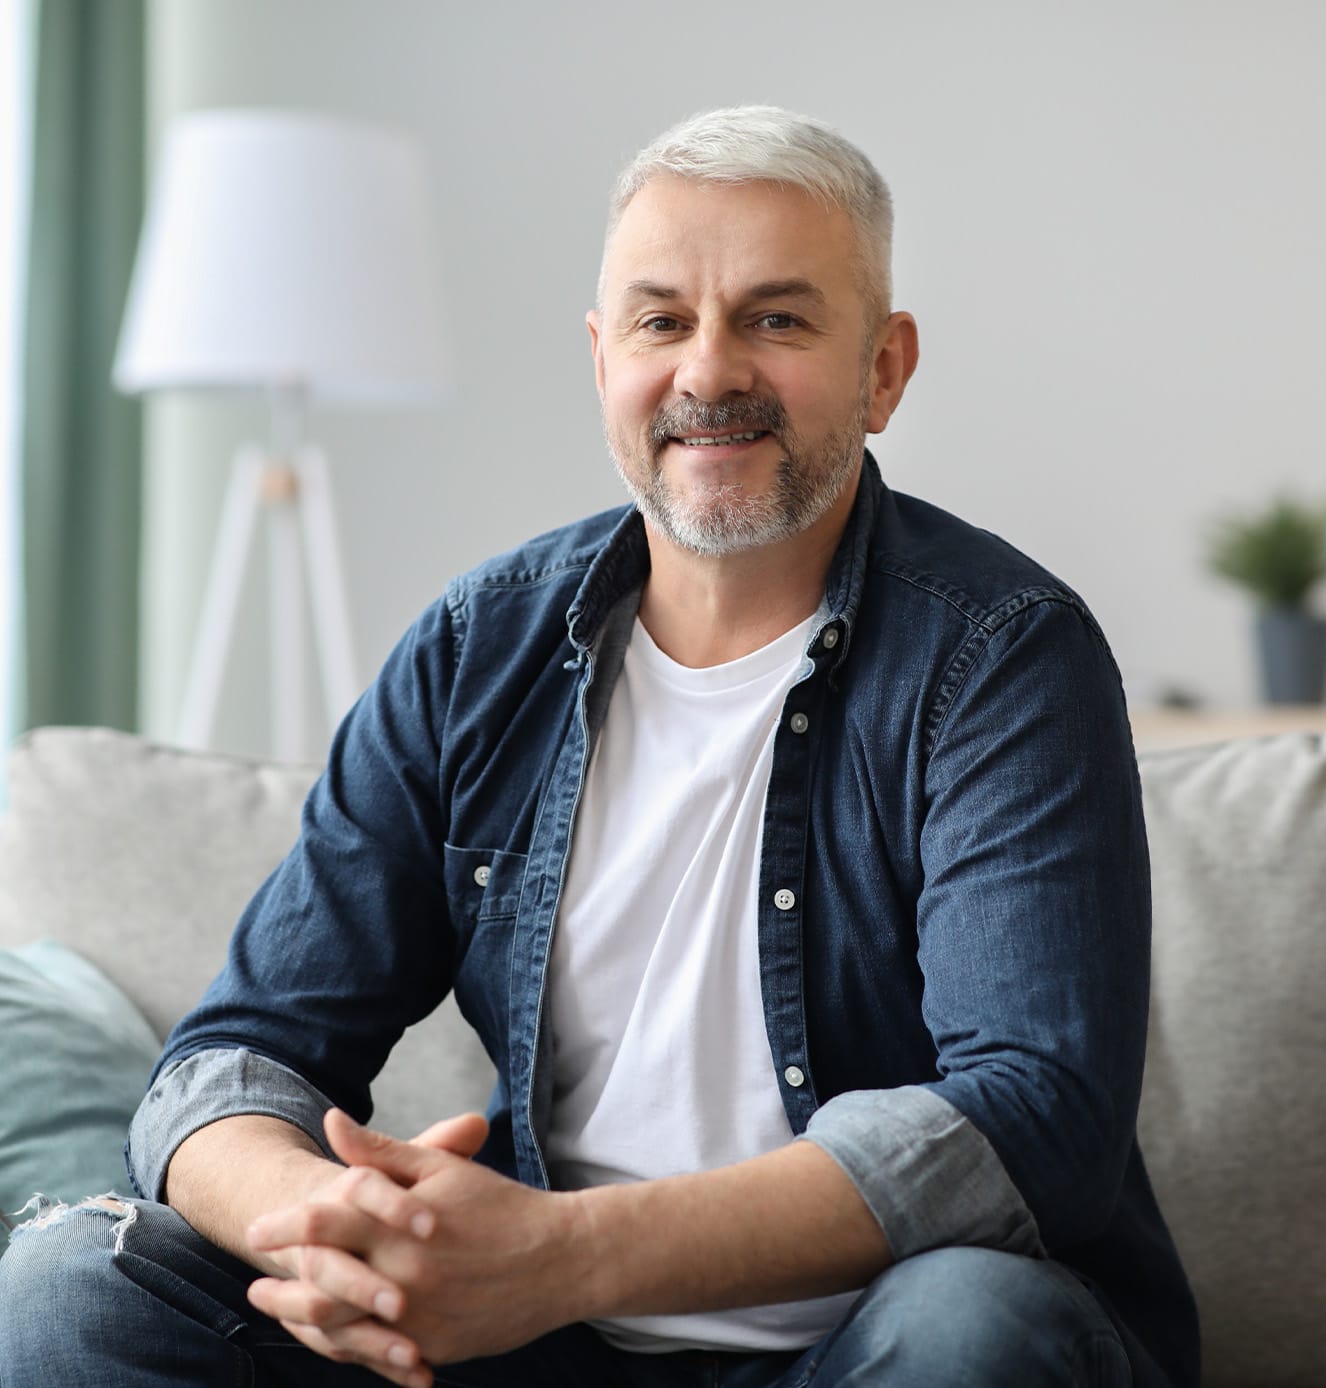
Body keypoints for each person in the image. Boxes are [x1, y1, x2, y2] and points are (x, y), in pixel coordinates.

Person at [0, 105, 1198, 1387]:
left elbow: (1029, 1120)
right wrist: (337, 1230)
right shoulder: (476, 649)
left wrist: (559, 1253)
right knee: (76, 1288)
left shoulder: (1000, 655)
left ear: (884, 369)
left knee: (978, 1326)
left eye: (777, 318)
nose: (708, 371)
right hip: (534, 1356)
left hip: (866, 1346)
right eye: (660, 319)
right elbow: (240, 1053)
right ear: (601, 358)